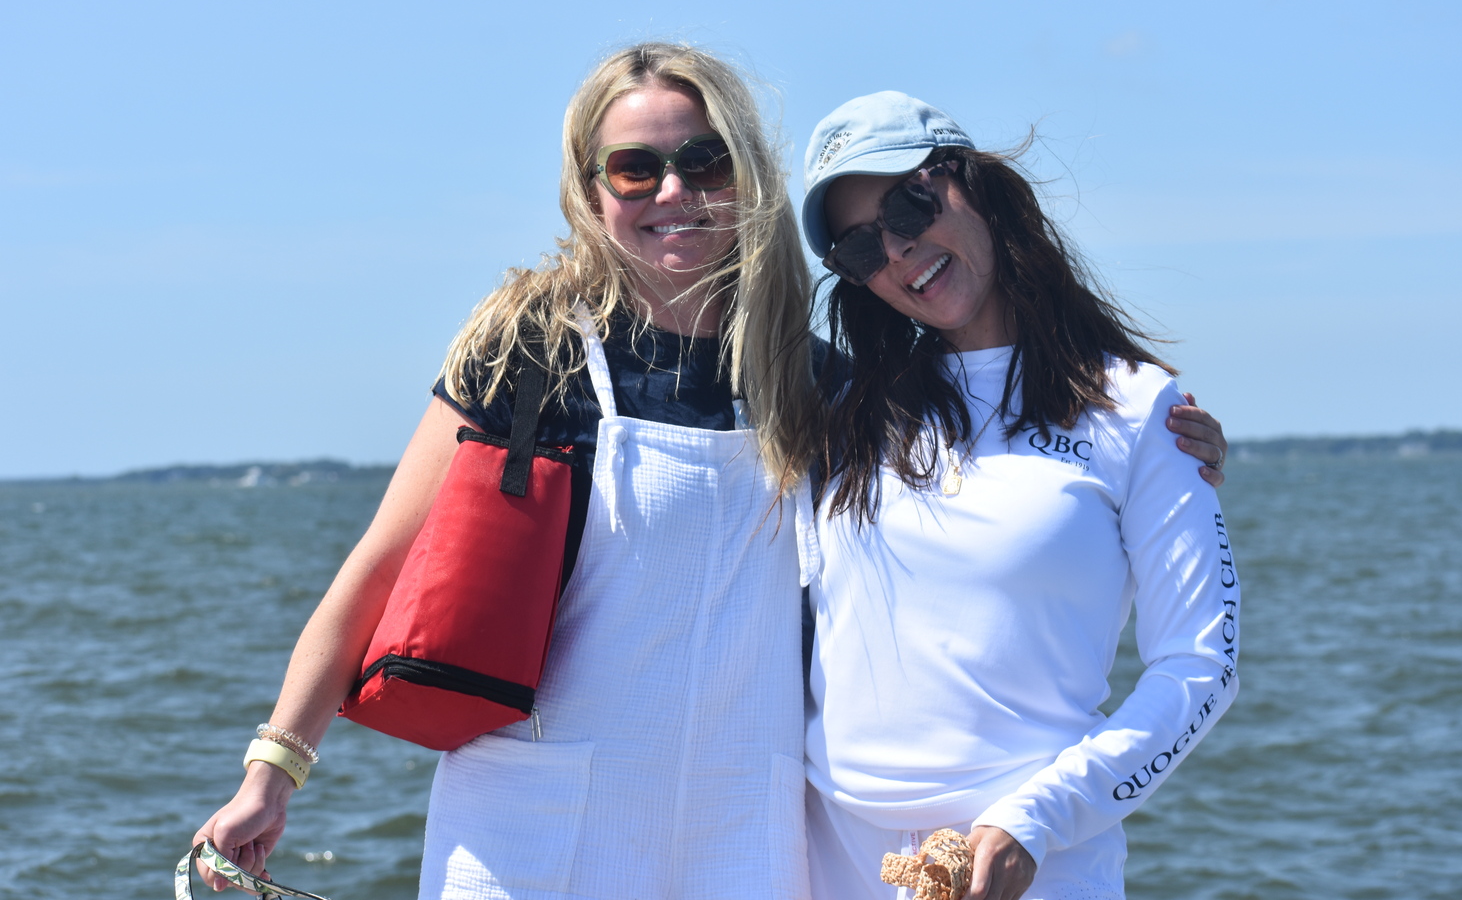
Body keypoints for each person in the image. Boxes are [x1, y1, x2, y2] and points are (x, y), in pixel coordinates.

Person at [192, 47, 1229, 899]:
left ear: (746, 176)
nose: (674, 193)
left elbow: (997, 461)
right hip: (532, 825)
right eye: (635, 170)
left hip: (752, 838)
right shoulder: (527, 351)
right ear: (589, 190)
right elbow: (379, 566)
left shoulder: (820, 383)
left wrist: (1157, 451)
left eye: (705, 161)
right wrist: (272, 772)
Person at [799, 92, 1240, 900]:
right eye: (860, 248)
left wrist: (1039, 819)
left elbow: (1201, 667)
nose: (898, 250)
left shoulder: (1139, 410)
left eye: (908, 203)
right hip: (826, 864)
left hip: (1039, 865)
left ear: (972, 182)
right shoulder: (837, 410)